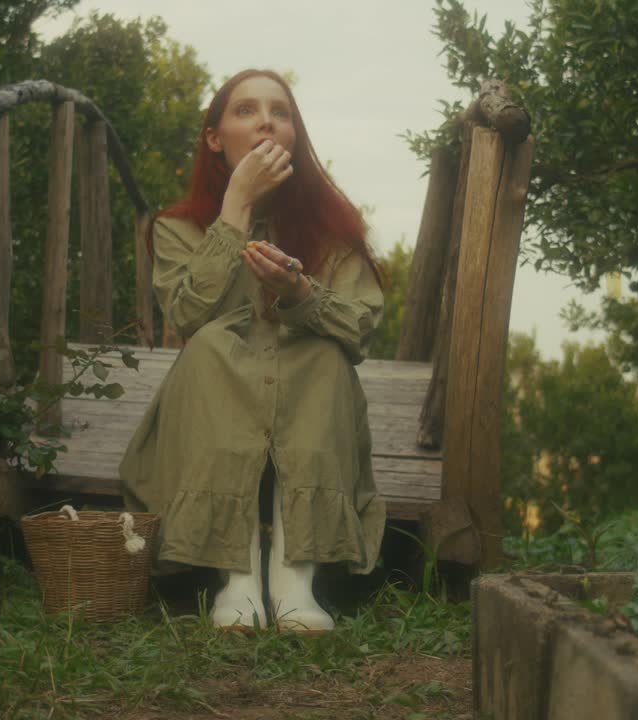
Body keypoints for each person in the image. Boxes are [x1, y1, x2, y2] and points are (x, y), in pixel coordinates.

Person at [119, 69, 386, 633]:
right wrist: (236, 206)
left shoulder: (334, 229)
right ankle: (234, 579)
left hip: (308, 393)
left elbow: (360, 327)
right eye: (246, 110)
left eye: (280, 112)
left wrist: (302, 293)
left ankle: (296, 579)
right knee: (215, 344)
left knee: (324, 353)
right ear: (215, 138)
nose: (266, 119)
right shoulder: (176, 227)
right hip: (216, 396)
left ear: (295, 136)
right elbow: (190, 317)